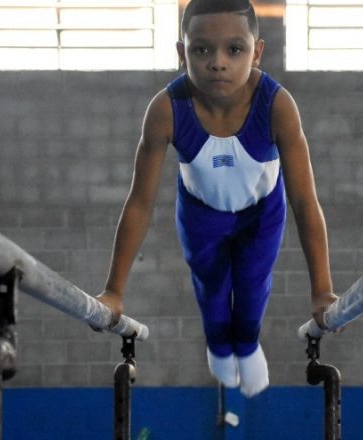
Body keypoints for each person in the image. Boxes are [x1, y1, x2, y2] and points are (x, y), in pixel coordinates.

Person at [95, 0, 337, 398]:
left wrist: (322, 290)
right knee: (211, 290)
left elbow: (305, 201)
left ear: (257, 51)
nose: (218, 63)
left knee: (252, 286)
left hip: (262, 212)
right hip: (199, 214)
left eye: (234, 49)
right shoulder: (166, 110)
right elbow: (139, 202)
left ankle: (246, 345)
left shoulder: (277, 106)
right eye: (201, 49)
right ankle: (220, 348)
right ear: (181, 52)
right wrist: (114, 291)